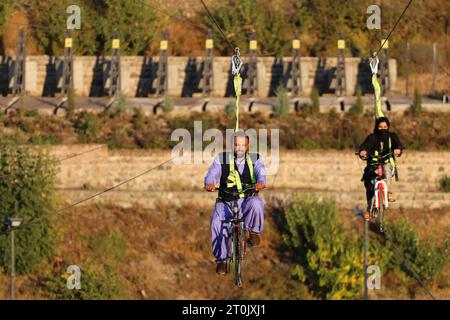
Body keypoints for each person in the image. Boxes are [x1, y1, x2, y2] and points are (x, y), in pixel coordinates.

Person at [204, 131, 266, 274]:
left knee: (256, 203)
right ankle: (222, 260)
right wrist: (209, 183)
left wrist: (260, 183)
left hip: (246, 200)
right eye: (236, 144)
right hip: (225, 201)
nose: (239, 148)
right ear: (232, 145)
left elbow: (261, 173)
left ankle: (254, 231)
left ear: (247, 145)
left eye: (242, 145)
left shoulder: (255, 159)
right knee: (216, 222)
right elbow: (212, 174)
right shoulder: (222, 158)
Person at [359, 117, 403, 221]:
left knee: (387, 170)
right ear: (376, 127)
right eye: (380, 127)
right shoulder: (372, 137)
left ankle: (387, 192)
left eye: (385, 127)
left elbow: (398, 145)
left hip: (387, 163)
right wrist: (363, 152)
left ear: (388, 127)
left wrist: (398, 150)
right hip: (373, 165)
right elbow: (364, 146)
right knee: (369, 185)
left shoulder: (392, 137)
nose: (382, 129)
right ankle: (368, 209)